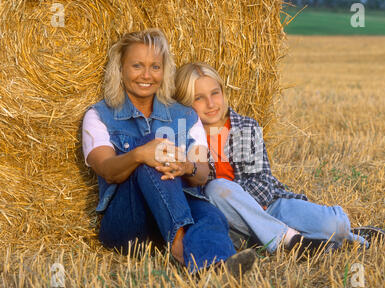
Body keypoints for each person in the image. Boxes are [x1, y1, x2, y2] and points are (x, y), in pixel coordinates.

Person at [81, 29, 256, 274]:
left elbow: (202, 174)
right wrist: (139, 155)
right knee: (152, 146)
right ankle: (181, 247)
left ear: (164, 71)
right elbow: (108, 171)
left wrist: (187, 167)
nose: (147, 75)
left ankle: (216, 269)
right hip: (129, 224)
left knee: (210, 214)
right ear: (120, 69)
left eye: (155, 67)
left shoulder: (184, 114)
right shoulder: (99, 116)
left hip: (183, 203)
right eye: (137, 66)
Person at [174, 62, 384, 257]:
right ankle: (294, 239)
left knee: (335, 225)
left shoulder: (245, 127)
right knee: (217, 189)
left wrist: (250, 210)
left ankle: (340, 235)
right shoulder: (184, 136)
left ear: (223, 92)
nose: (210, 103)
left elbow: (262, 184)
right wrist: (236, 204)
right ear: (184, 102)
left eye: (215, 93)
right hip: (228, 220)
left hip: (271, 206)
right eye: (198, 98)